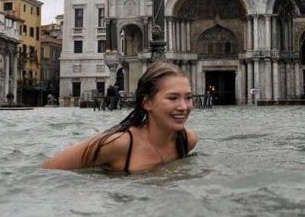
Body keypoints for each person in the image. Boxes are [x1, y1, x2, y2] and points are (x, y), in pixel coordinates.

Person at [42, 62, 198, 174]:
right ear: (147, 103)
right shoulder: (119, 143)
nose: (184, 107)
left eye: (188, 97)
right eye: (172, 98)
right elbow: (48, 170)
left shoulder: (187, 140)